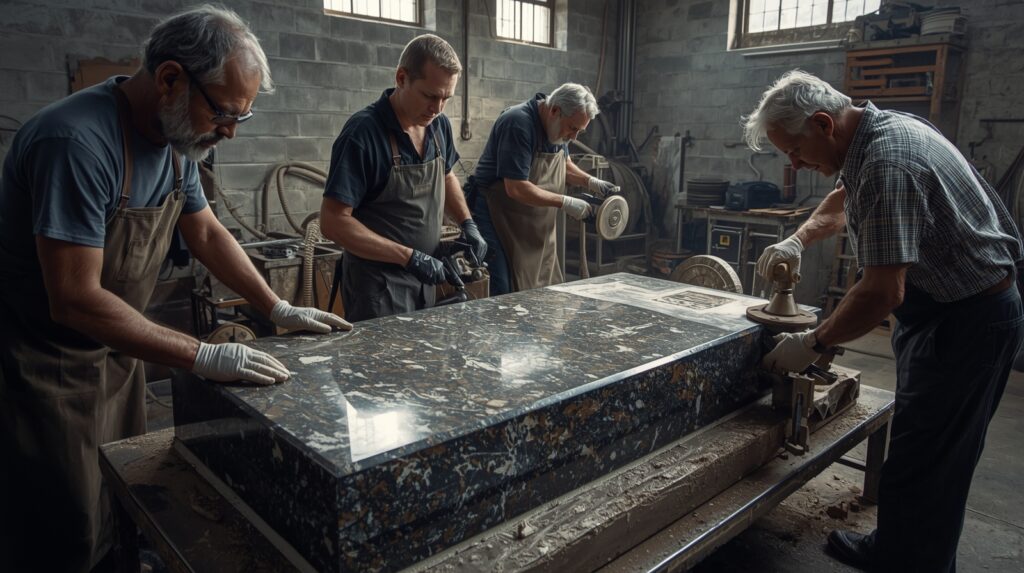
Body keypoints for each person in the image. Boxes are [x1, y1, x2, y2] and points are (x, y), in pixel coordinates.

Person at [0, 6, 350, 572]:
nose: (231, 131)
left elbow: (207, 231)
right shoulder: (76, 143)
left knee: (121, 500)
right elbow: (73, 297)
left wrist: (276, 306)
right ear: (169, 78)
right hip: (47, 369)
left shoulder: (174, 141)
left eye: (244, 116)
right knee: (62, 528)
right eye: (225, 112)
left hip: (118, 358)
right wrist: (202, 354)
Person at [745, 69, 1024, 572]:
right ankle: (895, 549)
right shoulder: (878, 131)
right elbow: (842, 198)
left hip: (967, 323)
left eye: (795, 150)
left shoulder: (887, 161)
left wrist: (814, 342)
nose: (795, 163)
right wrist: (798, 239)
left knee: (932, 462)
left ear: (824, 124)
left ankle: (913, 565)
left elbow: (880, 292)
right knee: (922, 451)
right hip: (948, 311)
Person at [320, 34, 486, 322]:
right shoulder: (363, 134)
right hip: (378, 288)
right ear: (401, 78)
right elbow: (333, 222)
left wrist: (467, 223)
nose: (438, 108)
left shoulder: (439, 126)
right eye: (430, 95)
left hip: (426, 278)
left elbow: (446, 176)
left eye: (446, 98)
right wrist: (409, 257)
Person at [465, 83, 616, 295]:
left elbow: (563, 163)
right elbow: (516, 188)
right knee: (504, 287)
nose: (573, 137)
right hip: (498, 215)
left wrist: (590, 181)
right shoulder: (518, 123)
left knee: (546, 283)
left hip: (533, 220)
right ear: (554, 110)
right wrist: (566, 202)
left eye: (579, 131)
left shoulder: (558, 127)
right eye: (573, 128)